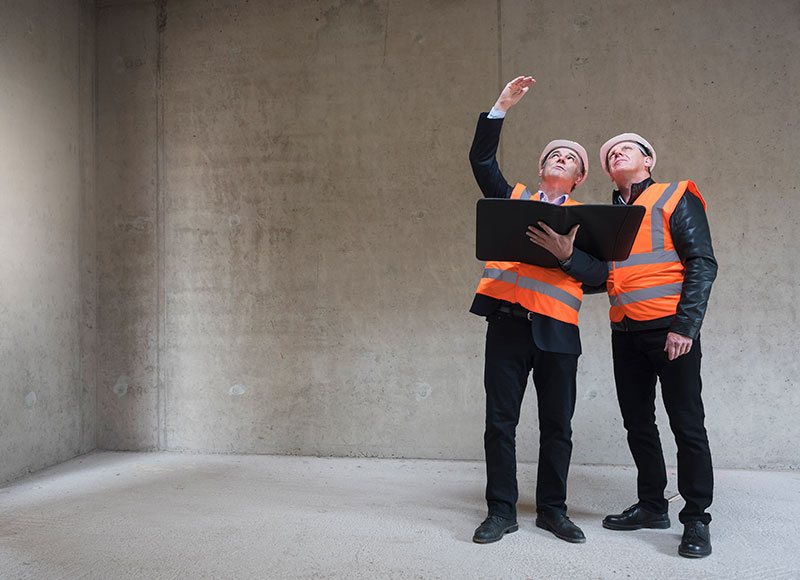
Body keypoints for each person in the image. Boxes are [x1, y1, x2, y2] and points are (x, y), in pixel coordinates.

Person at [468, 76, 607, 544]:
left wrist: (569, 254)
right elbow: (481, 161)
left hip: (558, 332)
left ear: (579, 178)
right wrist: (501, 106)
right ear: (541, 167)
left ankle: (552, 511)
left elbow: (601, 277)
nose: (560, 160)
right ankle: (500, 512)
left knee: (557, 428)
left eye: (569, 159)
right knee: (499, 424)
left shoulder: (590, 222)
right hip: (507, 325)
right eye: (553, 155)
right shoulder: (514, 199)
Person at [598, 133, 718, 558]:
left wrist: (686, 327)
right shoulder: (608, 215)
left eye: (626, 148)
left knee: (686, 424)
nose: (616, 153)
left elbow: (701, 262)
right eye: (610, 153)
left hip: (672, 331)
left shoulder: (674, 196)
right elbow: (598, 278)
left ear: (648, 161)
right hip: (625, 332)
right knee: (638, 424)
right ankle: (652, 506)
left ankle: (697, 518)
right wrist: (562, 254)